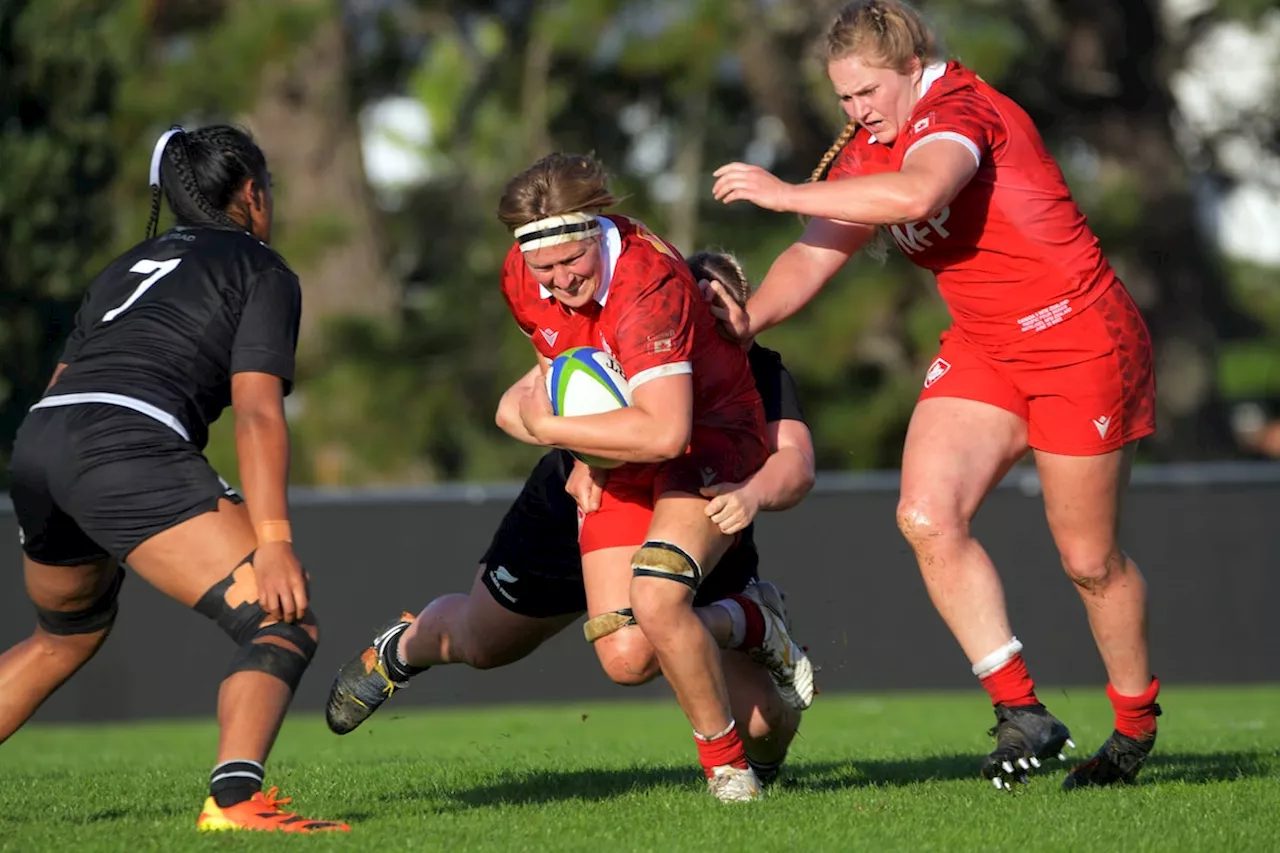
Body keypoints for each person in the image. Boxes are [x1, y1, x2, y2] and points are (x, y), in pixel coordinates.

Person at [709, 0, 1160, 791]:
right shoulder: (868, 144)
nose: (855, 113)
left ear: (911, 69)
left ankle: (1131, 728)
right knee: (925, 515)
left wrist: (782, 192)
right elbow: (812, 260)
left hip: (1077, 340)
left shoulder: (959, 111)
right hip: (987, 346)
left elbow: (919, 194)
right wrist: (740, 326)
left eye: (868, 93)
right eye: (843, 98)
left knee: (1089, 559)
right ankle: (1022, 710)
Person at [326, 247, 817, 796]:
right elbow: (517, 404)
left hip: (697, 515)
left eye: (723, 310)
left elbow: (794, 464)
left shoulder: (757, 371)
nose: (710, 323)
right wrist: (582, 449)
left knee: (763, 724)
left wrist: (749, 495)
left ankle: (748, 673)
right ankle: (401, 649)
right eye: (697, 308)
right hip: (578, 507)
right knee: (485, 644)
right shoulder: (632, 335)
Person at [0, 125, 348, 832]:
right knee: (281, 619)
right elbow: (255, 411)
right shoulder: (261, 267)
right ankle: (234, 802)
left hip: (41, 441)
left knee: (64, 634)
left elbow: (65, 382)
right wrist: (274, 539)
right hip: (121, 442)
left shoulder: (127, 265)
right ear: (252, 192)